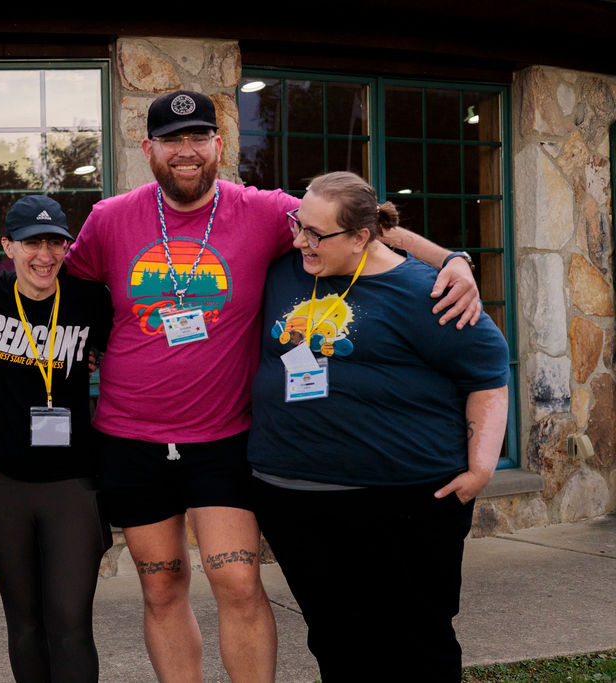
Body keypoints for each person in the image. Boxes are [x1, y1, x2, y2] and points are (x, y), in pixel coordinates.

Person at [63, 90, 485, 681]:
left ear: (219, 145)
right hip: (130, 436)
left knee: (237, 583)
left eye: (198, 137)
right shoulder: (110, 218)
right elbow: (60, 285)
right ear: (148, 148)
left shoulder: (263, 211)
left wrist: (452, 258)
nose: (186, 151)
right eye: (172, 140)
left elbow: (359, 226)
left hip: (223, 435)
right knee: (161, 586)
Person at [248, 171, 509, 682]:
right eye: (298, 225)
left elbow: (488, 373)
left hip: (402, 501)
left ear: (361, 237)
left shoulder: (426, 291)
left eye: (315, 234)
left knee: (417, 642)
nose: (300, 241)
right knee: (335, 640)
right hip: (292, 498)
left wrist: (481, 468)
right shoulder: (287, 271)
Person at [0, 195, 113, 682]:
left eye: (55, 243)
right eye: (32, 243)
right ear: (8, 246)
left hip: (71, 482)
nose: (45, 256)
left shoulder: (89, 298)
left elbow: (124, 346)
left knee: (70, 624)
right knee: (25, 623)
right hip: (0, 483)